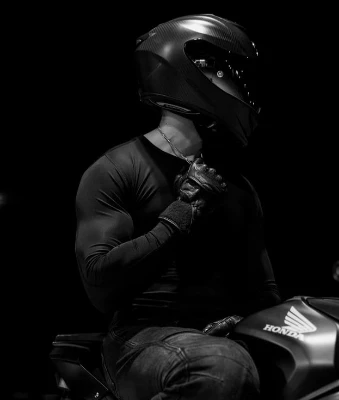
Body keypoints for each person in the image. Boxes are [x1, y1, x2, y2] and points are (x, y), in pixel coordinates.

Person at [75, 13, 281, 400]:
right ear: (192, 71)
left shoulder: (238, 187)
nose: (241, 88)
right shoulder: (117, 168)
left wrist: (244, 321)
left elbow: (264, 291)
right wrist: (183, 213)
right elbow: (100, 284)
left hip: (222, 338)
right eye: (228, 74)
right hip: (141, 338)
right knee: (220, 367)